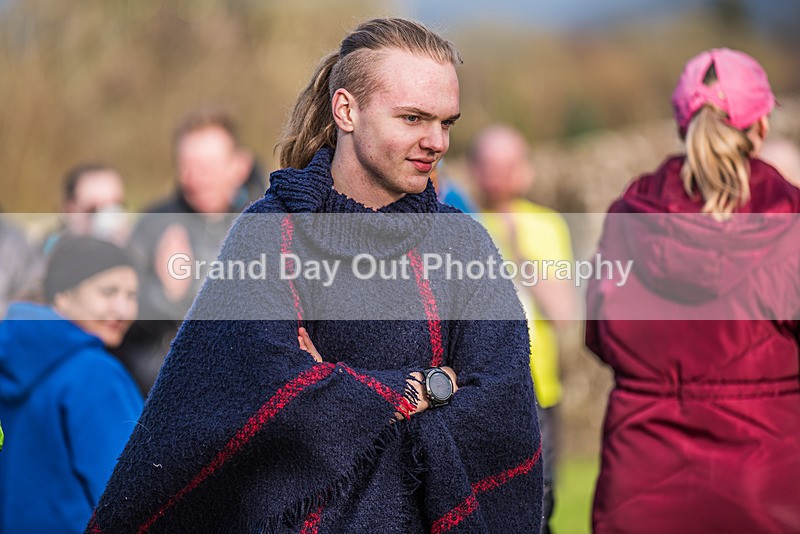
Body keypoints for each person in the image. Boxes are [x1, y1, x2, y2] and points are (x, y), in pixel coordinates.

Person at [89, 18, 543, 533]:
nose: (436, 141)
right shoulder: (270, 235)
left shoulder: (464, 244)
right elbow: (256, 401)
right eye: (413, 118)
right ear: (346, 110)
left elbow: (500, 411)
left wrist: (335, 391)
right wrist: (433, 388)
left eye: (447, 122)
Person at [586, 48, 800, 533]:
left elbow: (600, 336)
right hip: (765, 489)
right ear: (762, 125)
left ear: (683, 123)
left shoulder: (628, 215)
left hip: (641, 484)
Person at [470, 124, 578, 533]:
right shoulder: (459, 222)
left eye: (510, 165)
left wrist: (520, 257)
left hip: (539, 386)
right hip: (477, 388)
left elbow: (564, 312)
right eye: (491, 165)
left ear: (526, 169)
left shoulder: (547, 225)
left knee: (541, 500)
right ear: (475, 169)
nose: (500, 175)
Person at [0, 236, 143, 533]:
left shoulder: (10, 358)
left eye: (132, 296)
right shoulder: (94, 374)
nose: (124, 310)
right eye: (108, 292)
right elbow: (133, 496)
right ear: (63, 295)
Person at [118, 108, 256, 394]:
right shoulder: (153, 225)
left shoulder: (267, 222)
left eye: (208, 166)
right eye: (187, 166)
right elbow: (121, 315)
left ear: (239, 166)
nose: (195, 178)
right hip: (161, 388)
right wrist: (166, 294)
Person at [42, 163, 129, 254]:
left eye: (116, 207)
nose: (109, 219)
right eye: (93, 210)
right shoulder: (48, 255)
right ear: (69, 210)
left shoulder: (134, 251)